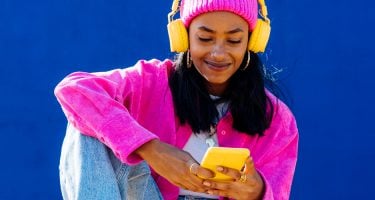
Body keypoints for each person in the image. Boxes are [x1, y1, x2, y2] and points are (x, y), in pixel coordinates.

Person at [54, 0, 299, 199]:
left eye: (234, 41)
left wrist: (257, 191)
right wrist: (152, 150)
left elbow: (278, 193)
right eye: (205, 38)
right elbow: (74, 90)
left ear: (252, 42)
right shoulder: (151, 81)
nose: (218, 52)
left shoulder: (278, 119)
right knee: (87, 120)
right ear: (183, 37)